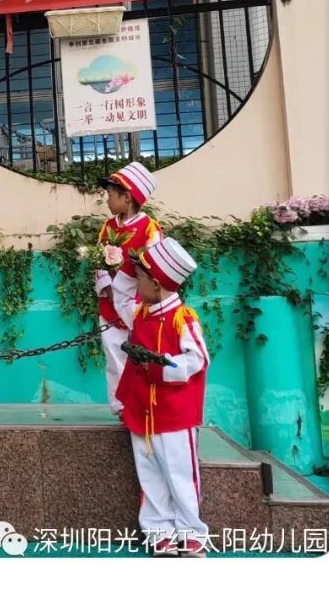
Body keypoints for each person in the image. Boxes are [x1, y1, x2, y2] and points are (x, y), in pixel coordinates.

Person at [116, 237, 210, 557]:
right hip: (142, 412)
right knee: (151, 477)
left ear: (155, 284)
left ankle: (192, 533)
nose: (136, 283)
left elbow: (198, 360)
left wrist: (159, 368)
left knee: (181, 476)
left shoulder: (183, 318)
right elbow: (120, 296)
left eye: (140, 278)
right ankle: (160, 532)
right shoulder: (140, 313)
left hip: (174, 415)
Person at [93, 161, 162, 417]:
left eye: (111, 194)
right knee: (114, 357)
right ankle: (120, 408)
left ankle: (142, 406)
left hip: (137, 306)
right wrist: (109, 290)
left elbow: (155, 269)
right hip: (110, 304)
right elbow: (99, 262)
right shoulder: (108, 227)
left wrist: (132, 297)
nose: (107, 199)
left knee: (140, 357)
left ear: (128, 197)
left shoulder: (150, 229)